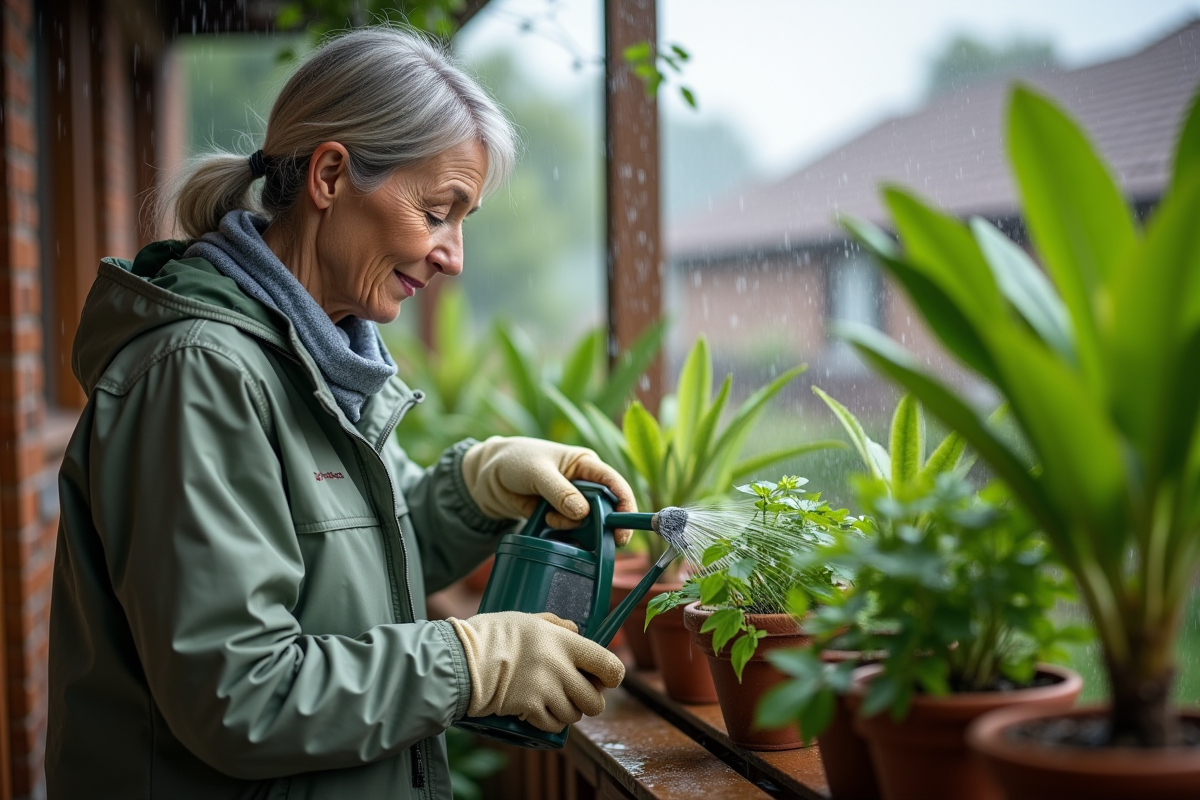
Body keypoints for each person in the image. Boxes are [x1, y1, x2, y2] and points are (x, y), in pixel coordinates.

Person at [47, 26, 637, 799]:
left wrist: (479, 485)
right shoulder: (201, 376)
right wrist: (473, 663)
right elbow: (236, 693)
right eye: (438, 211)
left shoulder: (320, 357)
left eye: (463, 221)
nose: (453, 254)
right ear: (330, 175)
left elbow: (357, 570)